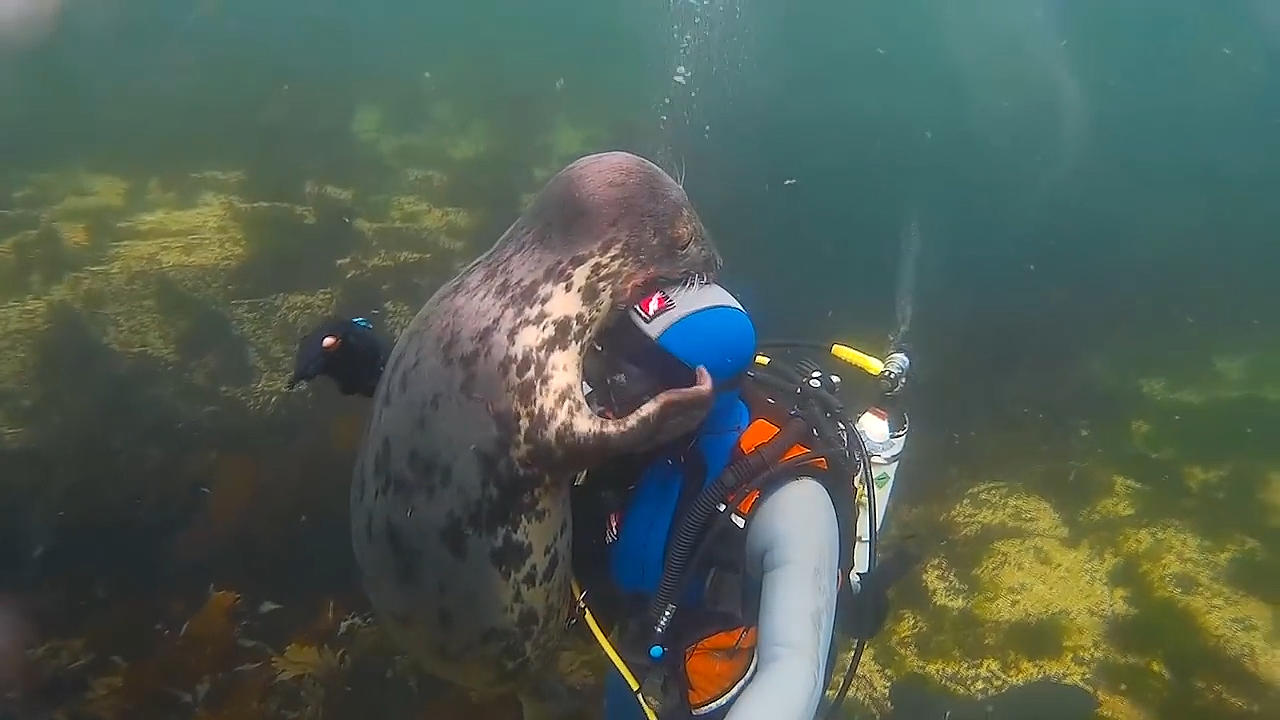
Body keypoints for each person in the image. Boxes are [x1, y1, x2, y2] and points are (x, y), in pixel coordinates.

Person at [571, 280, 913, 720]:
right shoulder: (640, 438)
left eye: (621, 381)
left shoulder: (791, 501)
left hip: (722, 694)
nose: (602, 401)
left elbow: (792, 668)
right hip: (636, 663)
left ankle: (859, 585)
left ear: (690, 391)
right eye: (604, 366)